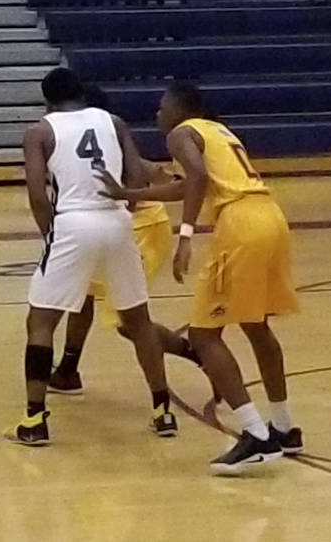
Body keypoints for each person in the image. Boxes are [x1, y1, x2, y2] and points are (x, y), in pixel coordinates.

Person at [96, 82, 303, 474]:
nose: (157, 115)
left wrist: (186, 236)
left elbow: (197, 179)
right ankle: (284, 426)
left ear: (179, 107)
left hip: (241, 224)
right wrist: (126, 190)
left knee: (205, 335)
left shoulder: (182, 132)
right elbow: (187, 183)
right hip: (271, 217)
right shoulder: (217, 131)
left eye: (161, 107)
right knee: (256, 325)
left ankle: (256, 435)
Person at [2, 67, 174, 446]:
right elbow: (136, 178)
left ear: (47, 99)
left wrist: (51, 233)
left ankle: (34, 420)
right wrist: (120, 207)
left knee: (41, 321)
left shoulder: (40, 131)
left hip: (72, 223)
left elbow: (36, 193)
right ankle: (163, 411)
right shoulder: (112, 121)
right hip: (116, 221)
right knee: (139, 320)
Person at [50, 85, 217, 415]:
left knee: (130, 322)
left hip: (139, 229)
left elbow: (138, 186)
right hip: (115, 229)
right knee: (80, 293)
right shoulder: (94, 138)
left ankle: (197, 353)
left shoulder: (104, 138)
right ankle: (68, 369)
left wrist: (136, 181)